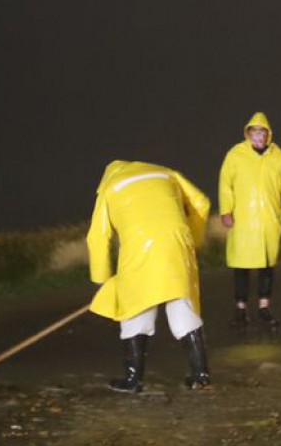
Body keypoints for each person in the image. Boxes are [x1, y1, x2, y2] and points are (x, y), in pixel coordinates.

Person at [86, 160, 214, 392]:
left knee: (135, 308)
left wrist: (101, 280)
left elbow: (97, 237)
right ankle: (201, 375)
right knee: (182, 304)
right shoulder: (166, 173)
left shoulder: (110, 187)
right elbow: (202, 204)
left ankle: (133, 379)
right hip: (176, 241)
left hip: (138, 248)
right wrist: (192, 241)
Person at [217, 112, 281, 332]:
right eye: (255, 131)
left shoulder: (278, 157)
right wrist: (226, 211)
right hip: (243, 221)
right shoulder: (235, 155)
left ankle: (264, 309)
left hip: (268, 220)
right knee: (241, 267)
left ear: (268, 134)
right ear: (248, 133)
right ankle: (240, 310)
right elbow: (225, 184)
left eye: (262, 132)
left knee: (266, 266)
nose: (259, 136)